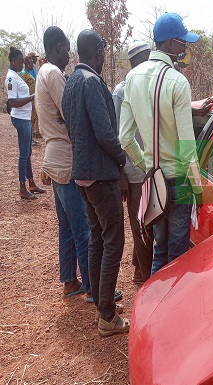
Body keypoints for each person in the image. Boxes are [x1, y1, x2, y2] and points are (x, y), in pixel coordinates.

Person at [120, 13, 203, 275]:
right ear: (168, 44)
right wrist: (198, 189)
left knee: (160, 248)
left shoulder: (132, 78)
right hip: (178, 180)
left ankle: (154, 306)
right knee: (178, 256)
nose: (185, 48)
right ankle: (173, 312)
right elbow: (188, 147)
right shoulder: (177, 82)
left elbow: (124, 137)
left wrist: (146, 163)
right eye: (182, 42)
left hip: (152, 180)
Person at [62, 29, 129, 336]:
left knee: (98, 239)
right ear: (99, 53)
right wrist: (122, 160)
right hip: (101, 176)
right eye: (104, 52)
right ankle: (106, 316)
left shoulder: (71, 82)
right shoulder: (91, 82)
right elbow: (104, 133)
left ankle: (100, 301)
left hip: (82, 176)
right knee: (113, 240)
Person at [36, 26, 91, 299]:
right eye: (67, 49)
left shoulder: (42, 73)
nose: (68, 55)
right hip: (65, 160)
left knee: (67, 226)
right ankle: (93, 287)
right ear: (58, 46)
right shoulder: (54, 74)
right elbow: (70, 112)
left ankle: (70, 280)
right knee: (82, 227)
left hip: (53, 158)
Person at [112, 40, 153, 283]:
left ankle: (140, 265)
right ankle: (145, 277)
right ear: (134, 63)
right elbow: (118, 135)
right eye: (145, 59)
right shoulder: (122, 91)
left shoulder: (150, 86)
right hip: (133, 170)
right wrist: (121, 173)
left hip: (149, 167)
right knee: (140, 225)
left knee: (147, 222)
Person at [5, 46, 45, 200]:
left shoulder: (16, 75)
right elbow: (13, 102)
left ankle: (31, 183)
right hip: (20, 118)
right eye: (21, 61)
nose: (23, 64)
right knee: (24, 154)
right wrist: (31, 97)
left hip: (25, 117)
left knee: (27, 152)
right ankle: (22, 187)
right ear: (14, 61)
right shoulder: (11, 78)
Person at [20, 56, 40, 144]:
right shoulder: (23, 74)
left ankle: (30, 138)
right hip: (29, 100)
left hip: (32, 99)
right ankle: (28, 139)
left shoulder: (28, 73)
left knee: (33, 120)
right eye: (31, 64)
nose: (33, 66)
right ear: (27, 65)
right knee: (30, 120)